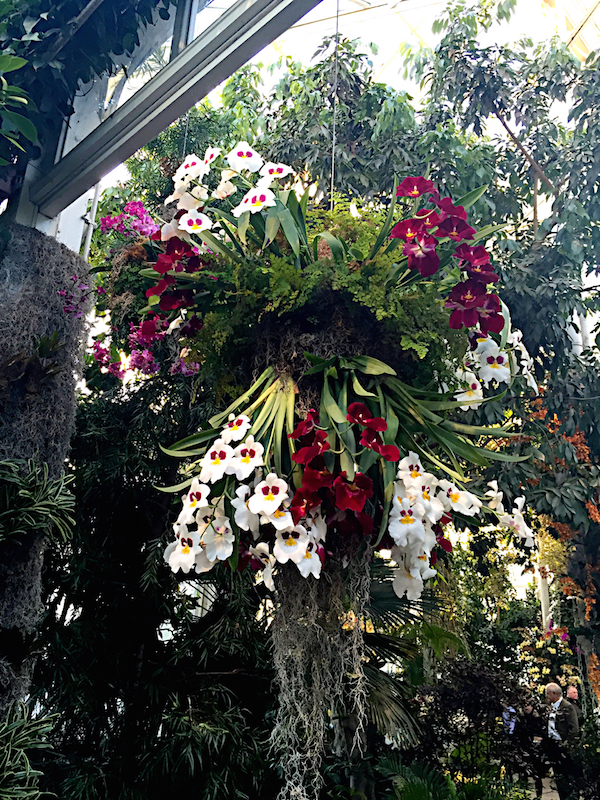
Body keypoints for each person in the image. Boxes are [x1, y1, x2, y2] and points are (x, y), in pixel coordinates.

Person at [544, 682, 580, 800]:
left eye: (547, 693)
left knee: (567, 774)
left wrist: (567, 745)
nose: (546, 696)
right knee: (558, 775)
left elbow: (574, 729)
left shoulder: (567, 707)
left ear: (554, 694)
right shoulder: (549, 706)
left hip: (563, 746)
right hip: (552, 745)